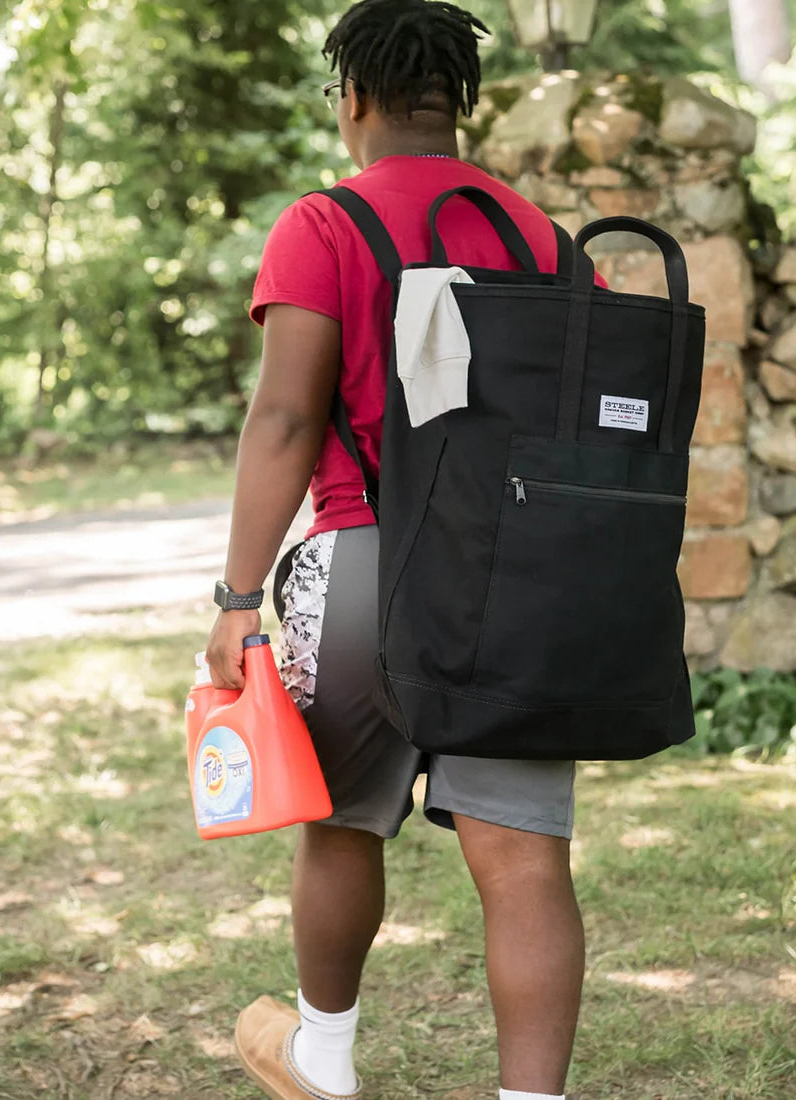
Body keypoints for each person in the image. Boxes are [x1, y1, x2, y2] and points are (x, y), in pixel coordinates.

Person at [206, 2, 585, 1097]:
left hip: (368, 564)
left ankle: (323, 1059)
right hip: (516, 577)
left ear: (356, 98)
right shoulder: (541, 238)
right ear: (456, 101)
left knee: (339, 827)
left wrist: (237, 596)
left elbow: (286, 417)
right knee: (524, 860)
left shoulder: (323, 225)